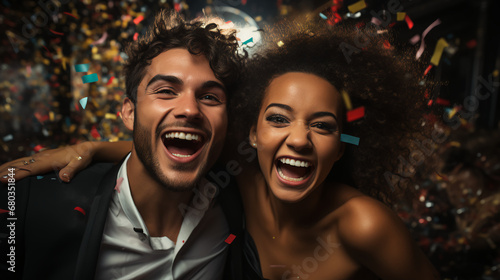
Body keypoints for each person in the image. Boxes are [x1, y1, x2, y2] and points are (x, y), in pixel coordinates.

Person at [1, 18, 440, 280]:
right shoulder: (240, 179)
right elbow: (172, 148)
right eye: (278, 119)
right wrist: (91, 148)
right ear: (251, 134)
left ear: (342, 148)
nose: (299, 139)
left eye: (322, 126)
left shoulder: (362, 224)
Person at [0, 9, 246, 280]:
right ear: (129, 113)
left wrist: (97, 147)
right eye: (165, 91)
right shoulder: (28, 204)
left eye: (210, 97)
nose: (189, 109)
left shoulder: (239, 200)